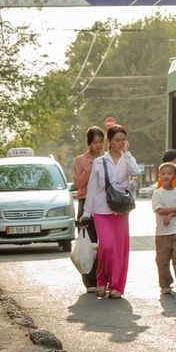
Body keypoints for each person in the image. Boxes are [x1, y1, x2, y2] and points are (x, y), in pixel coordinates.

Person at [81, 124, 139, 299]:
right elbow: (91, 188)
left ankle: (116, 287)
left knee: (119, 250)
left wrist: (127, 153)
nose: (121, 143)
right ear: (109, 141)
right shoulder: (99, 162)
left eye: (123, 140)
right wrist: (86, 212)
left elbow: (136, 172)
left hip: (120, 210)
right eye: (117, 140)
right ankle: (101, 280)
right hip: (101, 210)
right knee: (106, 246)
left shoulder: (127, 160)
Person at [72, 126, 105, 293]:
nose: (98, 146)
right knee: (88, 243)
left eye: (101, 142)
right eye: (95, 142)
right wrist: (89, 170)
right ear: (89, 143)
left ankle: (102, 279)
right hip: (85, 202)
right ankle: (90, 281)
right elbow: (77, 185)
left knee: (104, 243)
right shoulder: (81, 160)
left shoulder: (107, 159)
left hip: (103, 203)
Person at [151, 162, 176, 295]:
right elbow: (159, 210)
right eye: (163, 174)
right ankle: (165, 284)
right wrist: (175, 210)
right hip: (162, 232)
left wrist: (172, 214)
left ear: (175, 176)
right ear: (159, 176)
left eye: (169, 174)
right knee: (162, 260)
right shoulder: (157, 193)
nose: (166, 176)